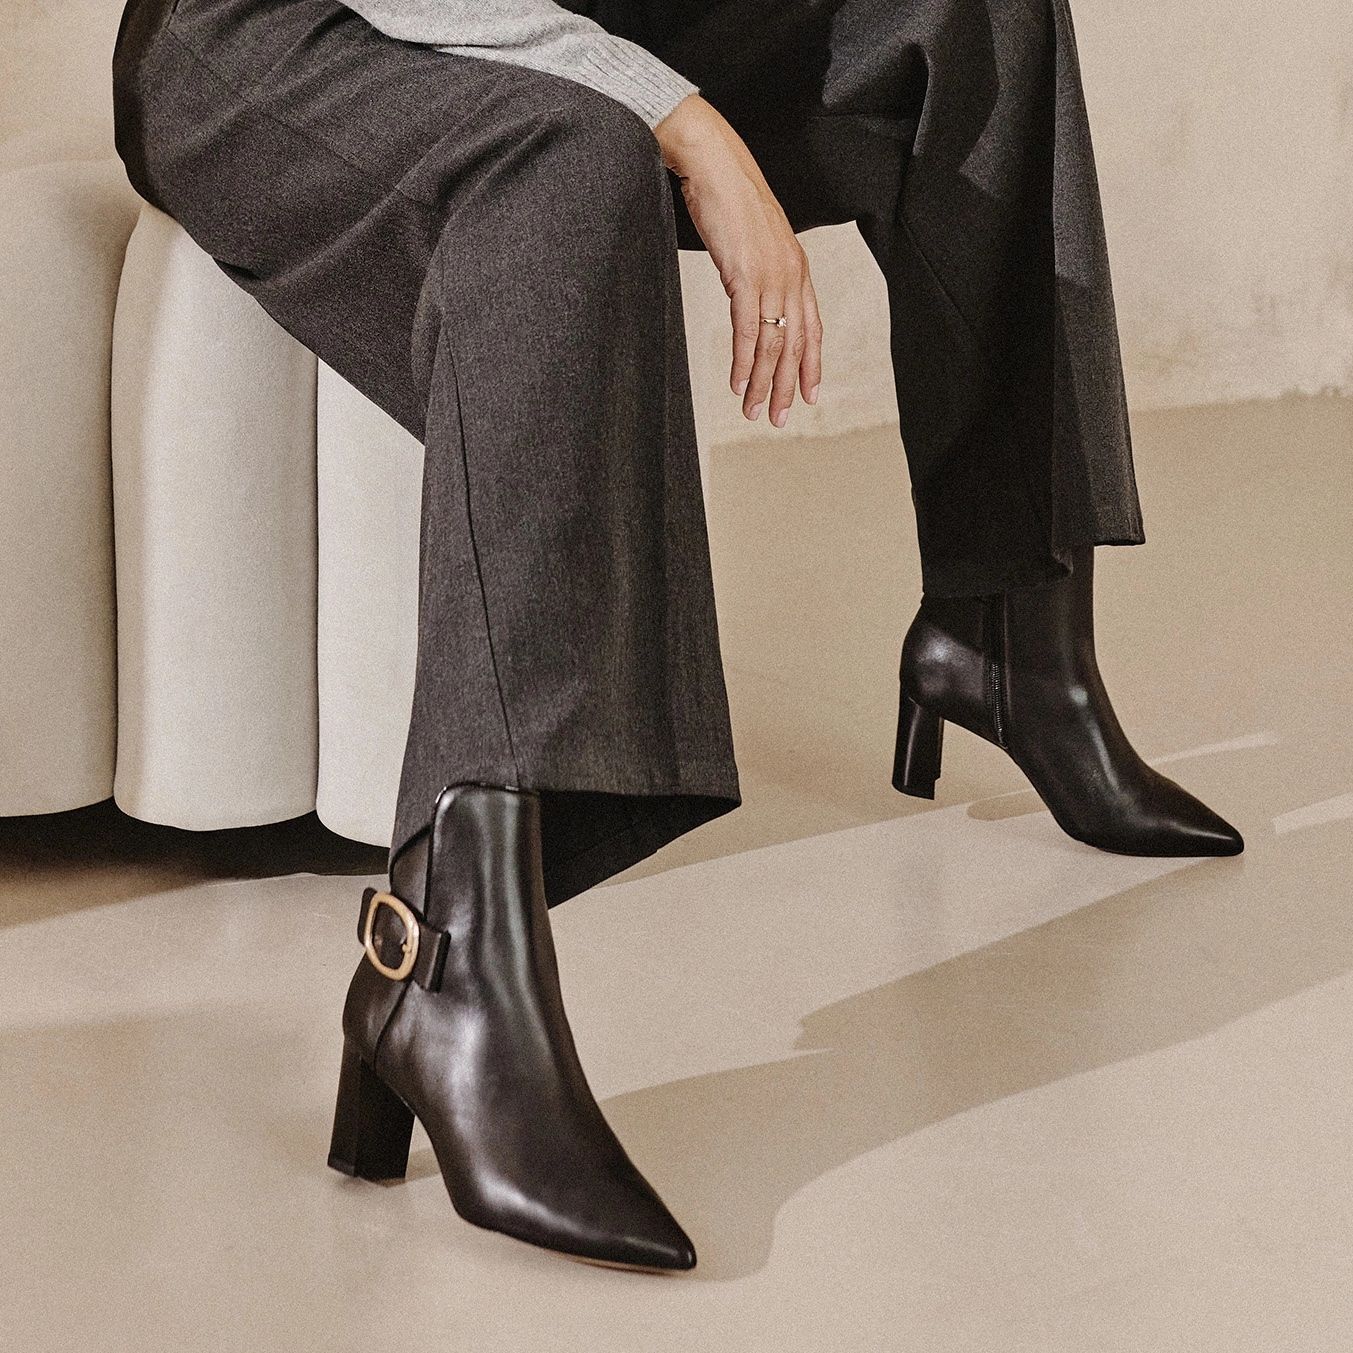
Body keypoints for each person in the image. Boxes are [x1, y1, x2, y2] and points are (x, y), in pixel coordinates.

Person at [111, 0, 1242, 1273]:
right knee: (569, 157)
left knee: (973, 13)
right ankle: (448, 967)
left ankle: (1008, 640)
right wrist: (690, 125)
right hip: (278, 33)